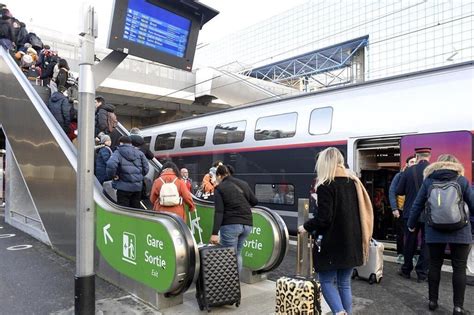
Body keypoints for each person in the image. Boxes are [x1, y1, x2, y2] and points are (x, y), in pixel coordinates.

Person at [297, 147, 373, 315]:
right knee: (344, 283)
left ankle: (339, 312)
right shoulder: (354, 183)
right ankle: (346, 312)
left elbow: (324, 218)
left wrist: (306, 227)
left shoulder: (326, 185)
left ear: (324, 163)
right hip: (352, 241)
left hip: (332, 244)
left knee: (325, 281)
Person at [407, 154, 473, 314]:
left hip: (434, 230)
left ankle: (432, 301)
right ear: (455, 165)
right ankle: (458, 307)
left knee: (435, 265)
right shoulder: (461, 180)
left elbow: (417, 205)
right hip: (460, 231)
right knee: (459, 268)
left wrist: (411, 224)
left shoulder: (429, 181)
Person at [210, 165, 258, 273]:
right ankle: (235, 283)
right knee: (238, 254)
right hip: (247, 224)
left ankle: (228, 284)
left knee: (228, 256)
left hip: (230, 225)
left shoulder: (219, 188)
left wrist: (214, 233)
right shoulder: (243, 184)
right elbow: (254, 201)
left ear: (219, 175)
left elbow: (219, 212)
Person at [397, 147, 432, 282]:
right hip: (429, 213)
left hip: (410, 212)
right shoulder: (434, 171)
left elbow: (400, 191)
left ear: (417, 156)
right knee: (426, 243)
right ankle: (422, 273)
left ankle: (406, 269)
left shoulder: (409, 171)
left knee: (410, 241)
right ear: (429, 156)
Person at [106, 136, 149, 209]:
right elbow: (146, 168)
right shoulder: (139, 153)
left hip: (123, 188)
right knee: (136, 210)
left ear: (121, 143)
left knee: (124, 211)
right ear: (130, 143)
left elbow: (111, 164)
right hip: (137, 188)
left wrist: (113, 176)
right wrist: (139, 177)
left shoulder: (118, 152)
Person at [389, 154, 416, 264]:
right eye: (412, 162)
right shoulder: (399, 176)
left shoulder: (418, 175)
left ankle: (411, 255)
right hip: (400, 209)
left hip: (412, 210)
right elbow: (392, 192)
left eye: (415, 162)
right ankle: (400, 254)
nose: (413, 164)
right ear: (407, 164)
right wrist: (394, 208)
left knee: (412, 234)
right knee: (401, 233)